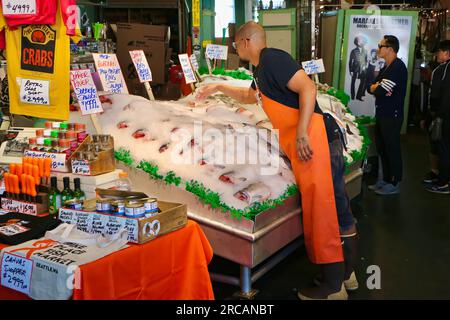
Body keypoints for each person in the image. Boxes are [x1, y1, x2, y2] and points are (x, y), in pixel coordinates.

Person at [196, 21, 358, 300]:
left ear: (246, 42)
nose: (235, 49)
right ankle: (347, 274)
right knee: (337, 207)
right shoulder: (260, 68)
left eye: (236, 44)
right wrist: (217, 88)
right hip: (313, 140)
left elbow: (308, 89)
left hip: (315, 139)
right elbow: (251, 95)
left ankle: (333, 288)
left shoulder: (273, 59)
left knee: (323, 210)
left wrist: (303, 134)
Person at [368, 35, 408, 195]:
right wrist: (376, 87)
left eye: (380, 45)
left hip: (392, 115)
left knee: (392, 148)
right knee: (382, 147)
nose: (378, 49)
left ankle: (394, 181)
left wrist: (377, 87)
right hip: (382, 113)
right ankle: (385, 179)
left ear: (390, 49)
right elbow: (370, 87)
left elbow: (379, 90)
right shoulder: (387, 67)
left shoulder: (398, 67)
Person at [424, 40, 450, 194]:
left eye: (439, 51)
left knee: (443, 148)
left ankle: (442, 183)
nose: (436, 55)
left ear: (446, 53)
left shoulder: (442, 69)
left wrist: (432, 114)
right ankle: (441, 177)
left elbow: (435, 95)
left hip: (443, 116)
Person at [349, 36, 368, 101]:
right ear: (356, 42)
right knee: (353, 82)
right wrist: (351, 70)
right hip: (355, 69)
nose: (361, 42)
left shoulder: (365, 51)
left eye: (362, 41)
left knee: (363, 82)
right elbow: (351, 61)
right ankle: (352, 96)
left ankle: (358, 96)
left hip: (362, 70)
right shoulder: (353, 51)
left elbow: (365, 60)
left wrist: (365, 67)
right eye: (359, 41)